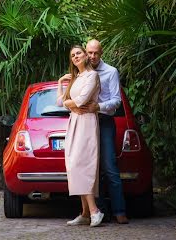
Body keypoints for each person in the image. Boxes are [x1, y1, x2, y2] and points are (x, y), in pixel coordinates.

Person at [78, 39, 129, 224]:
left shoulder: (111, 72)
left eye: (95, 53)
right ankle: (98, 211)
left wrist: (98, 107)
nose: (92, 56)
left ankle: (119, 210)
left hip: (104, 121)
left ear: (101, 53)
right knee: (90, 168)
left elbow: (116, 101)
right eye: (89, 52)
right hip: (86, 123)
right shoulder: (81, 71)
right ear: (86, 52)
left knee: (109, 167)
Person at [57, 45, 104, 227]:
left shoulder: (92, 76)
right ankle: (85, 213)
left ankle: (94, 211)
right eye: (72, 55)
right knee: (73, 164)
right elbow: (60, 102)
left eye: (78, 53)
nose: (76, 57)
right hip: (74, 121)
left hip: (86, 122)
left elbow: (82, 101)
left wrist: (71, 104)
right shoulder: (75, 78)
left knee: (82, 164)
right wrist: (61, 82)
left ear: (86, 55)